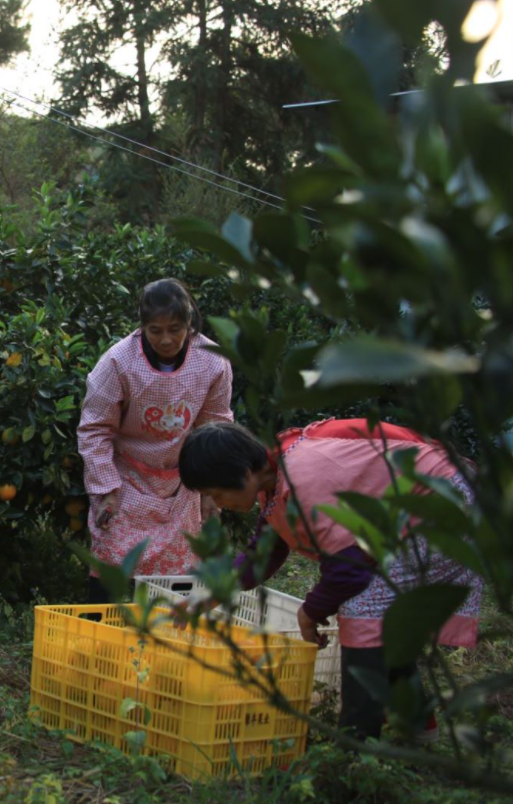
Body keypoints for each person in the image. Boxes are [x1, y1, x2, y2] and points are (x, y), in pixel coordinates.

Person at [177, 419, 484, 740]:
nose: (220, 505)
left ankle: (356, 747)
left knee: (363, 609)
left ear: (242, 472)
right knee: (379, 615)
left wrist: (309, 613)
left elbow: (349, 569)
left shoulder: (303, 478)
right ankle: (418, 727)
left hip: (444, 502)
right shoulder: (275, 482)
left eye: (217, 493)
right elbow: (263, 555)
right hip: (420, 507)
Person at [77, 278, 234, 601]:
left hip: (183, 480)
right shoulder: (118, 361)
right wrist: (105, 490)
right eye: (155, 330)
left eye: (175, 329)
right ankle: (100, 639)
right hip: (126, 479)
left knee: (181, 571)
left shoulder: (213, 362)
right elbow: (95, 428)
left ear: (190, 323)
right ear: (142, 327)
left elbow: (214, 428)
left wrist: (210, 493)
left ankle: (166, 644)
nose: (166, 339)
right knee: (111, 565)